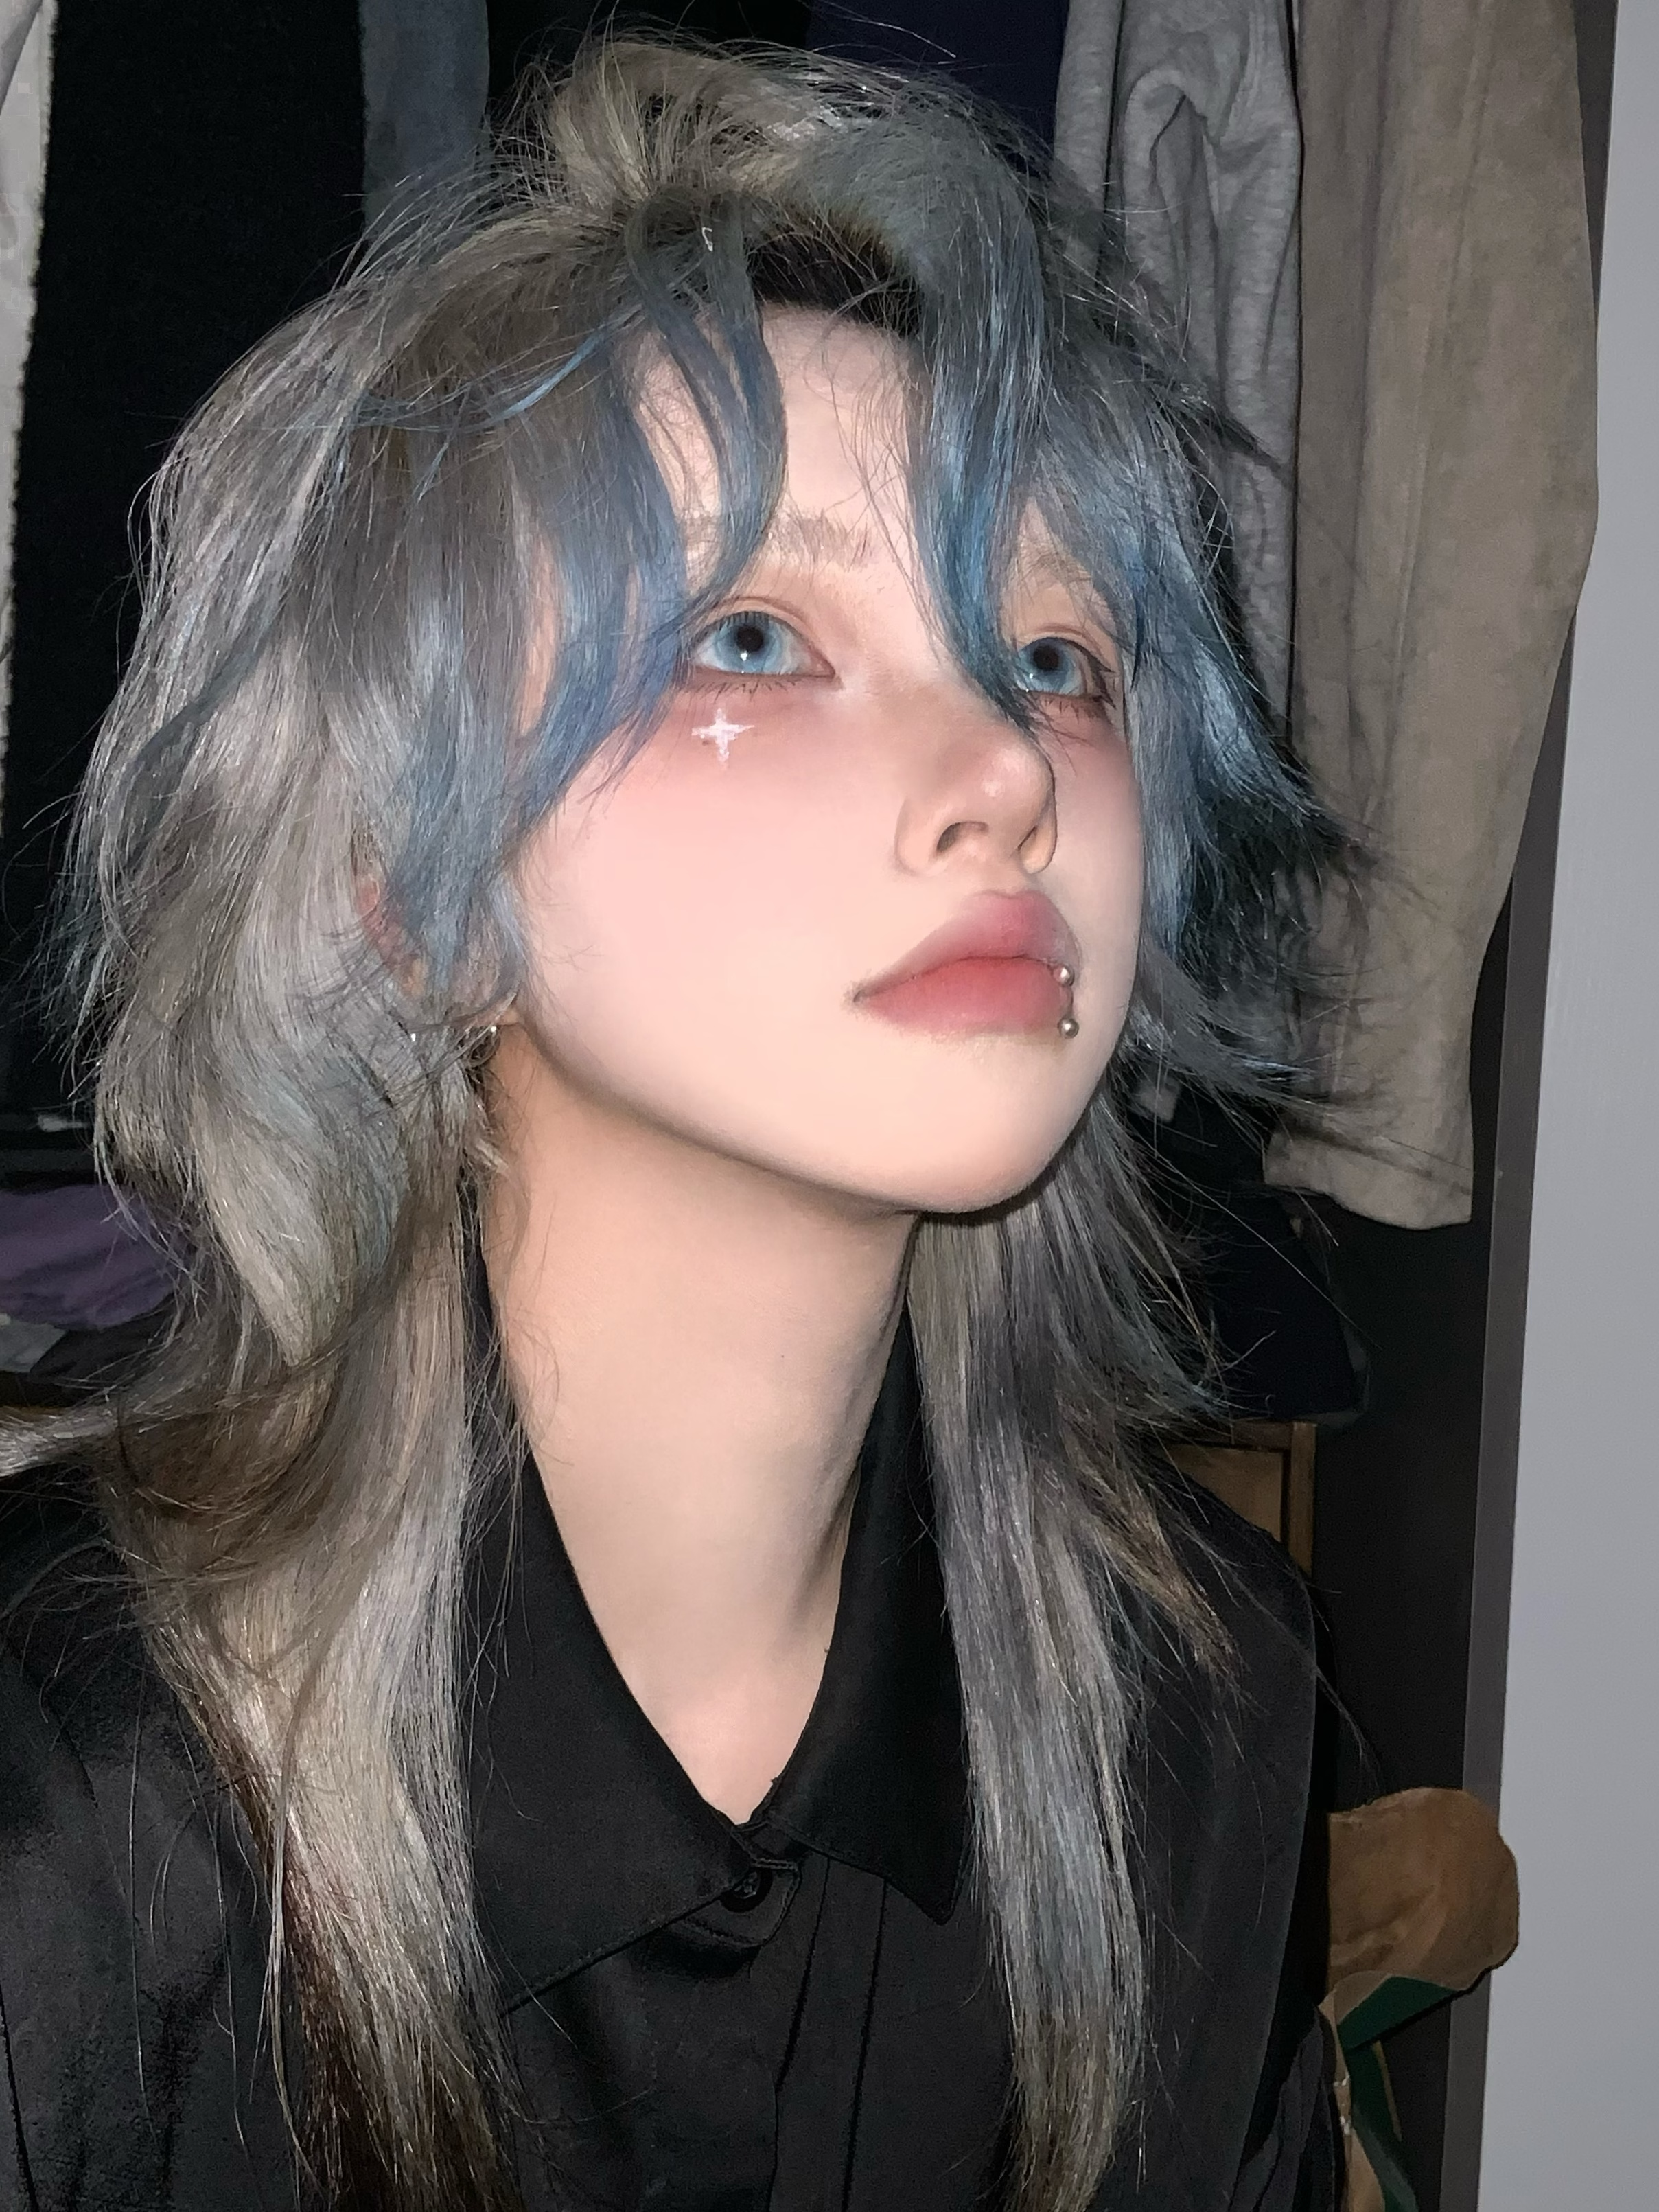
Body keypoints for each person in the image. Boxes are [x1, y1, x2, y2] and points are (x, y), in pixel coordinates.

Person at [0, 40, 1339, 2212]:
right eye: (754, 633)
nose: (1006, 772)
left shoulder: (1199, 1716)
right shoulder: (71, 1809)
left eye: (1056, 661)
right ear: (401, 884)